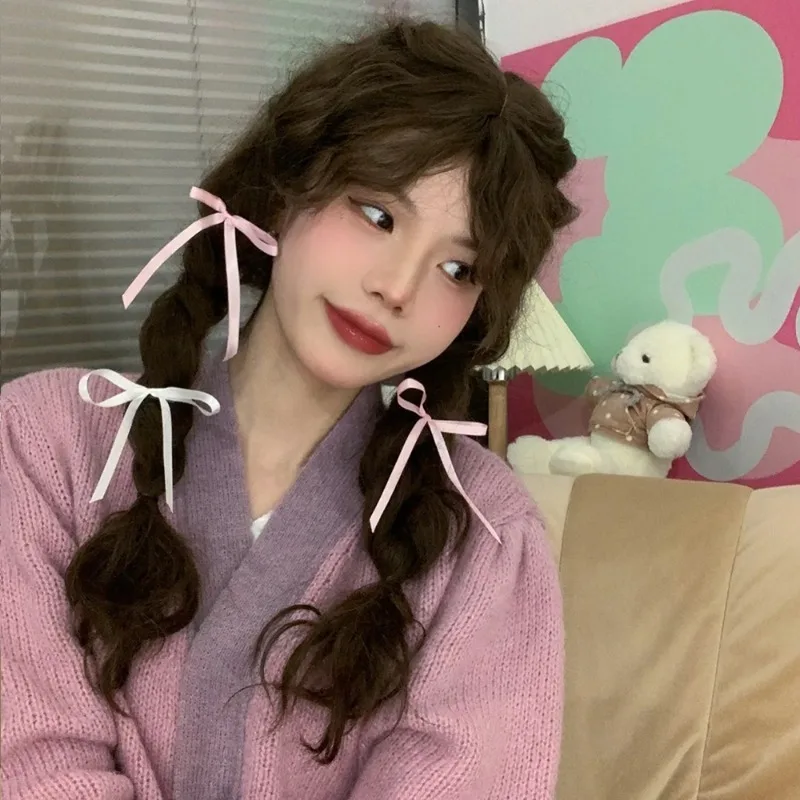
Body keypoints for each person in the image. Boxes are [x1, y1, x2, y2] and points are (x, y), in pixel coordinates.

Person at [0, 16, 577, 800]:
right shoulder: (44, 442)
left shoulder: (485, 534)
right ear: (284, 190)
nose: (397, 288)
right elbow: (29, 767)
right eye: (377, 215)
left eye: (457, 269)